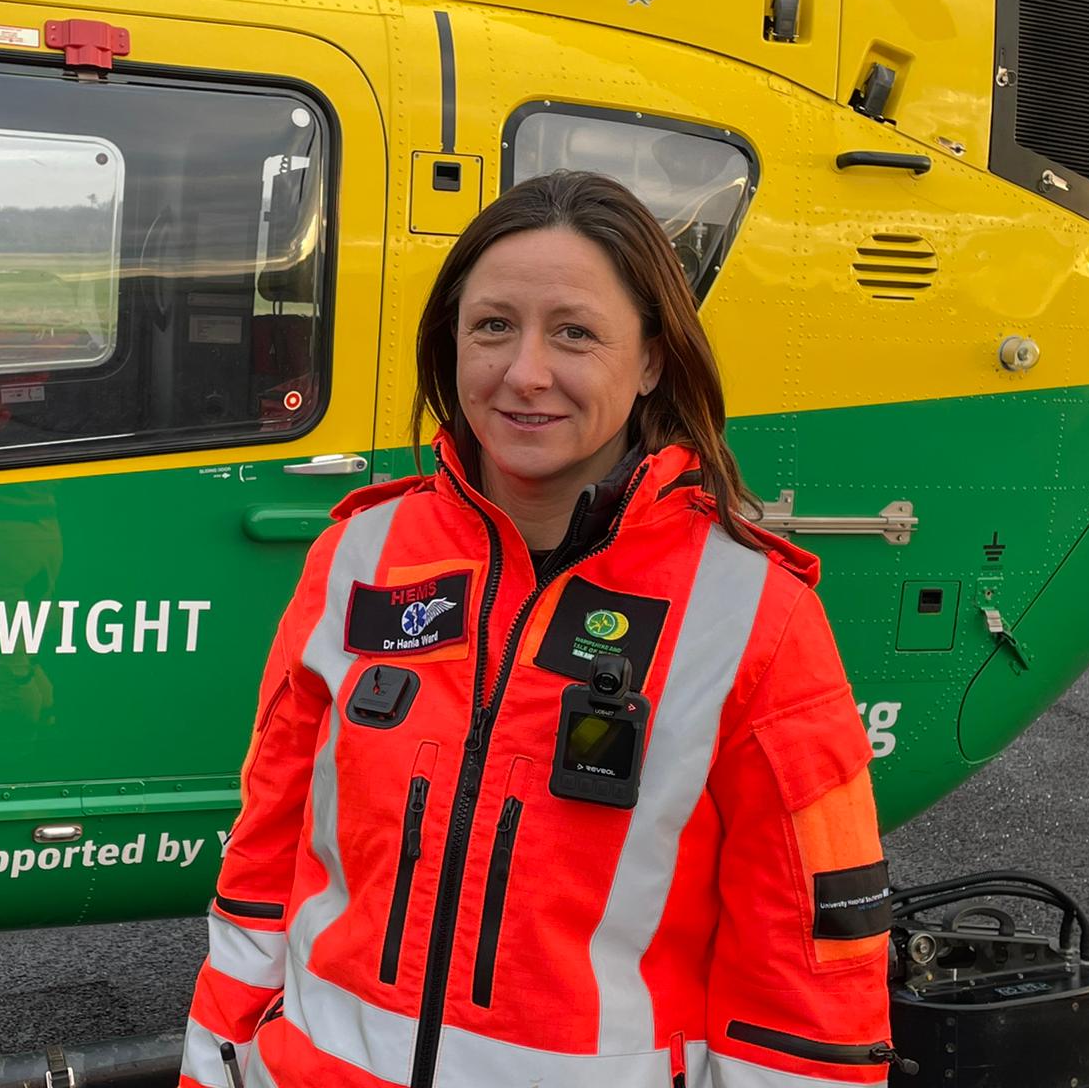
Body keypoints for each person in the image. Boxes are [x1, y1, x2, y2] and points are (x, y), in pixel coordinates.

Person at [180, 171, 899, 1088]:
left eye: (574, 332)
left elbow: (811, 967)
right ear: (451, 347)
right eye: (493, 327)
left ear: (650, 362)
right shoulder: (357, 556)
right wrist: (214, 1068)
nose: (525, 372)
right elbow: (265, 860)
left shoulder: (755, 611)